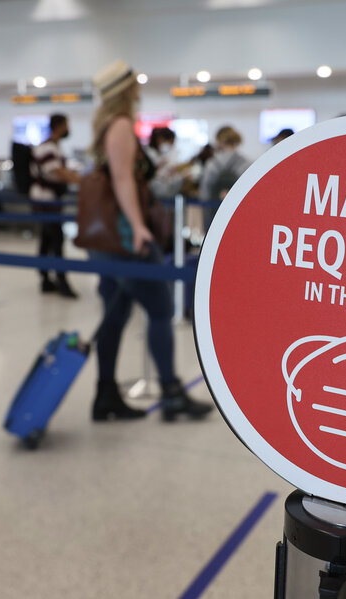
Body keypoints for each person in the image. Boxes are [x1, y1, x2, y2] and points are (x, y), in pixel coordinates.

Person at [88, 59, 212, 422]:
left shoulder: (104, 126)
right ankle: (172, 394)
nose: (140, 88)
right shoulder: (122, 125)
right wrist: (140, 227)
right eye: (135, 83)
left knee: (114, 314)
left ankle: (105, 394)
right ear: (126, 90)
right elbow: (123, 180)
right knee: (159, 310)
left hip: (107, 240)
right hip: (128, 240)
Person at [30, 113, 81, 298]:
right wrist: (81, 181)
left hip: (49, 199)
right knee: (56, 240)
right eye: (67, 124)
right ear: (59, 126)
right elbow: (57, 171)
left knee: (47, 239)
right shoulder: (48, 148)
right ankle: (60, 280)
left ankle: (46, 278)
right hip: (46, 200)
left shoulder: (52, 147)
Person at [199, 125, 250, 230]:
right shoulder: (245, 163)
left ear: (219, 141)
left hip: (215, 210)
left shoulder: (212, 163)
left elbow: (205, 191)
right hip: (236, 212)